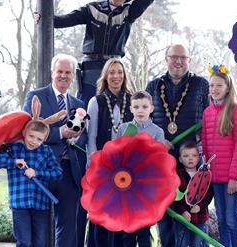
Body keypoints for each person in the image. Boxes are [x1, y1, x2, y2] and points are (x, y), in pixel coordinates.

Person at [145, 44, 209, 247]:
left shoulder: (201, 84)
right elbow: (145, 121)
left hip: (191, 160)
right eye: (174, 57)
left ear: (189, 60)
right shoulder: (153, 86)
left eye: (183, 57)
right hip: (162, 159)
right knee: (164, 210)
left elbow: (209, 119)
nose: (178, 62)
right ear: (166, 59)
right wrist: (156, 141)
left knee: (193, 212)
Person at [34, 0, 154, 108]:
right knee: (84, 105)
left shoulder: (129, 12)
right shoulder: (92, 9)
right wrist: (42, 17)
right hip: (91, 68)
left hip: (114, 67)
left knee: (119, 106)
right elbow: (64, 20)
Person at [23, 54, 87, 247]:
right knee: (40, 224)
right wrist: (60, 133)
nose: (63, 76)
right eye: (60, 71)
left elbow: (82, 137)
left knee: (68, 227)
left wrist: (76, 136)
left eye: (68, 72)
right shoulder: (36, 96)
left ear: (73, 77)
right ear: (52, 73)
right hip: (41, 170)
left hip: (70, 172)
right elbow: (28, 130)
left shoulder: (78, 104)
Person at [0, 116, 63, 247]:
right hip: (19, 204)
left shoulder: (45, 151)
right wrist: (13, 161)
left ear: (44, 140)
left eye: (39, 139)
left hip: (40, 205)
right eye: (31, 136)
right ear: (24, 133)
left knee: (40, 243)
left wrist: (37, 173)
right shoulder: (13, 149)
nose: (34, 141)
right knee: (24, 242)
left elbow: (58, 173)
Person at [86, 58, 133, 247]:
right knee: (102, 214)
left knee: (122, 213)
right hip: (103, 168)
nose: (116, 76)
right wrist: (96, 166)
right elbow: (91, 138)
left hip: (126, 169)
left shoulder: (132, 100)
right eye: (112, 72)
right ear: (106, 76)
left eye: (120, 72)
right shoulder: (95, 102)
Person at [201, 64, 237, 247]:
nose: (214, 89)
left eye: (219, 85)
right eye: (212, 86)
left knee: (231, 219)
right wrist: (207, 171)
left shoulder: (235, 110)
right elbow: (205, 143)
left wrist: (234, 178)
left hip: (230, 177)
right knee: (220, 219)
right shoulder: (207, 113)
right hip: (215, 176)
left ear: (227, 87)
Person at [113, 90, 164, 247]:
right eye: (136, 106)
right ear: (131, 109)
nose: (140, 110)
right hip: (125, 186)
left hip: (145, 188)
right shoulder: (122, 129)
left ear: (151, 108)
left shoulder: (157, 132)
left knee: (143, 229)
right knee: (127, 230)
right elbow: (114, 154)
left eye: (144, 106)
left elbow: (160, 159)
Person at [172, 141, 213, 247]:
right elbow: (174, 196)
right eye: (186, 156)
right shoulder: (177, 175)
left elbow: (208, 194)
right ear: (180, 159)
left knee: (198, 244)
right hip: (182, 218)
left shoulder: (204, 175)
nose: (190, 158)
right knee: (182, 243)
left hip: (200, 217)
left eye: (194, 155)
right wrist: (183, 211)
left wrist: (200, 206)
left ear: (198, 158)